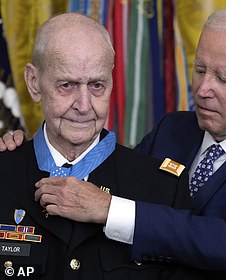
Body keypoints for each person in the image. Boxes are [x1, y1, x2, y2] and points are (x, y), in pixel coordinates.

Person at [2, 6, 226, 279]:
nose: (202, 89)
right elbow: (114, 170)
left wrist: (109, 209)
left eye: (224, 79)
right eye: (199, 70)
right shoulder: (173, 129)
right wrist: (25, 154)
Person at [0, 12, 191, 279]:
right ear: (34, 83)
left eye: (97, 85)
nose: (83, 105)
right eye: (67, 85)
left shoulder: (162, 188)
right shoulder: (4, 169)